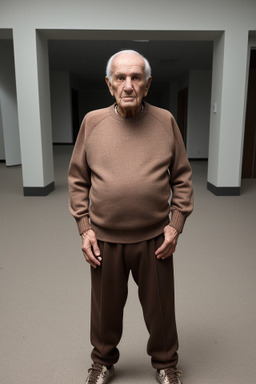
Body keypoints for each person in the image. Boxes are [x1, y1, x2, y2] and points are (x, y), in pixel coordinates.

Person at [68, 49, 193, 384]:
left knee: (161, 308)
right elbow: (78, 178)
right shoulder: (92, 123)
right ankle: (103, 361)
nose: (128, 85)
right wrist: (84, 228)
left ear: (147, 84)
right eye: (120, 78)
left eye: (136, 77)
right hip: (104, 238)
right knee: (105, 307)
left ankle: (166, 364)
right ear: (109, 85)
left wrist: (175, 226)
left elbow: (181, 177)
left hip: (155, 238)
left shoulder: (165, 121)